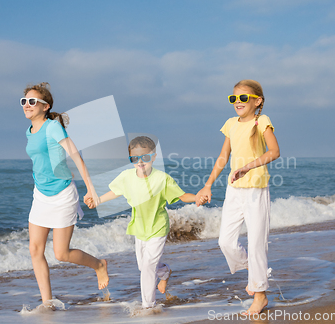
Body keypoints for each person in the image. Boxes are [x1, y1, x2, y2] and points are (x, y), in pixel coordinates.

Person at [85, 136, 205, 309]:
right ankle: (164, 271)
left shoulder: (162, 179)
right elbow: (115, 191)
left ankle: (148, 307)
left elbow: (181, 196)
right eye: (135, 158)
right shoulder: (126, 176)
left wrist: (197, 197)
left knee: (148, 266)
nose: (140, 162)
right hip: (139, 228)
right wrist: (98, 201)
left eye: (145, 157)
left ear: (154, 157)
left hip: (158, 227)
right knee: (144, 267)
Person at [195, 80, 280, 315]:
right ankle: (255, 274)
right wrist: (207, 185)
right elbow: (223, 156)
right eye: (233, 99)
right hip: (234, 190)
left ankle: (260, 295)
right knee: (226, 242)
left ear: (257, 101)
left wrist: (248, 167)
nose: (237, 103)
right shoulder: (231, 124)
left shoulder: (261, 121)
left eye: (243, 98)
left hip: (256, 189)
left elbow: (274, 151)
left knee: (256, 244)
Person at [22, 82, 109, 308]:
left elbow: (76, 157)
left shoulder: (53, 127)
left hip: (62, 194)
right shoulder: (29, 131)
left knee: (61, 253)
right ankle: (47, 302)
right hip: (40, 195)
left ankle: (99, 265)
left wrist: (90, 189)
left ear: (45, 106)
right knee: (35, 249)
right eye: (24, 101)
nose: (27, 105)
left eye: (32, 101)